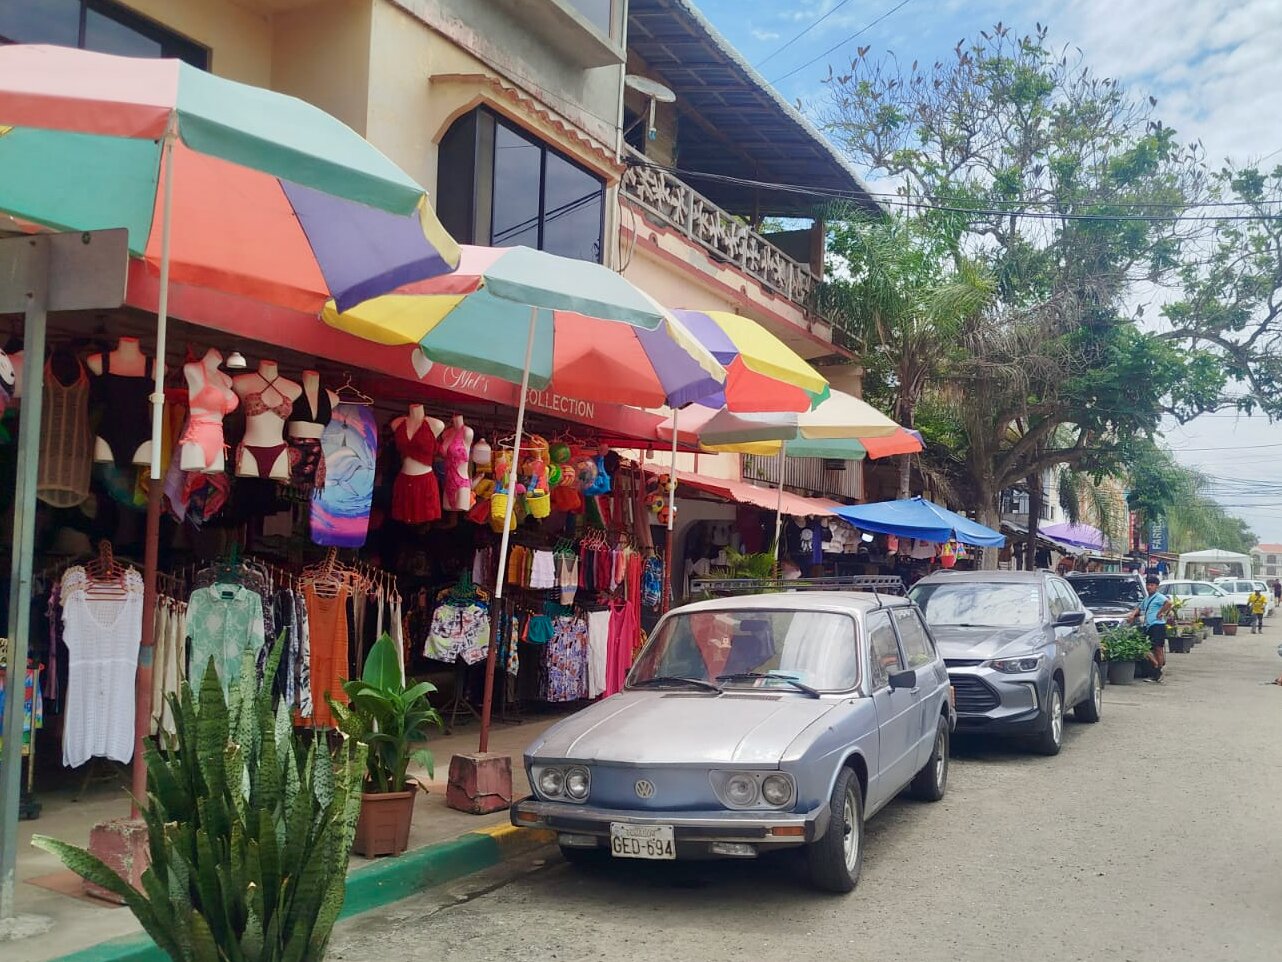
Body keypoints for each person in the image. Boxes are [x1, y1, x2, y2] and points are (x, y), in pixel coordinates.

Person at [1128, 574, 1173, 682]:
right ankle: (1157, 666)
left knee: (1158, 649)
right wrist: (1132, 615)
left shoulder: (1159, 597)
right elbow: (1139, 608)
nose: (1149, 587)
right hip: (1148, 626)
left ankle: (1158, 672)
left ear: (1156, 587)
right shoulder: (1147, 599)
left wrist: (1161, 612)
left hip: (1157, 625)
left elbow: (1169, 603)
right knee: (1144, 648)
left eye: (1152, 585)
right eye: (1148, 585)